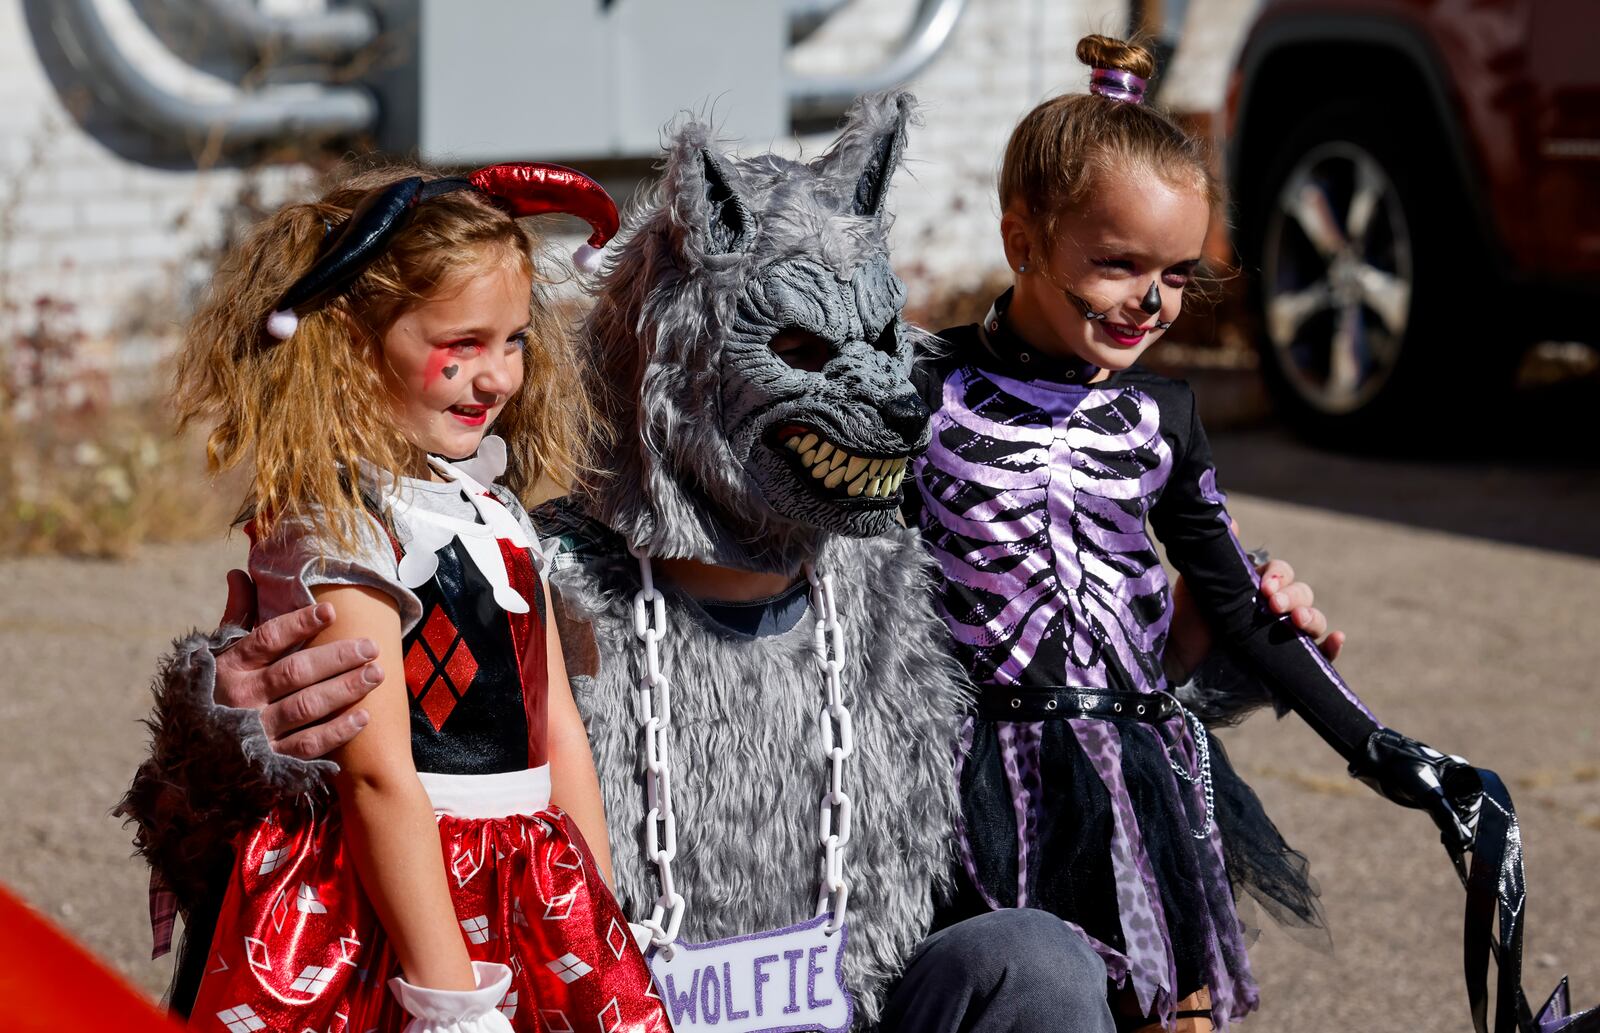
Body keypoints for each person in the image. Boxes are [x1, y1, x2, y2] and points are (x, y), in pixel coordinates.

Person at [127, 96, 1349, 1033]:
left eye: (882, 341)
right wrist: (228, 727)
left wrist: (1202, 639)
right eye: (813, 345)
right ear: (680, 349)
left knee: (1032, 964)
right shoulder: (539, 569)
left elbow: (1056, 735)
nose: (884, 391)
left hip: (853, 1007)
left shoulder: (897, 594)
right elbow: (311, 821)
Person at [902, 36, 1481, 1032]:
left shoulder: (1160, 414)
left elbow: (1239, 607)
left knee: (1177, 1007)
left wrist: (1381, 748)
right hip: (970, 776)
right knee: (1032, 991)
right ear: (1023, 239)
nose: (1151, 302)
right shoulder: (921, 388)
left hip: (1140, 774)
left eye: (1176, 273)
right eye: (1118, 263)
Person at [158, 160, 671, 1033]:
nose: (498, 376)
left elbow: (559, 731)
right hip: (392, 899)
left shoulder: (491, 507)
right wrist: (450, 999)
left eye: (512, 340)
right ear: (354, 349)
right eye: (461, 344)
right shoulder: (344, 525)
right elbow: (379, 774)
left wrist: (598, 907)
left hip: (524, 875)